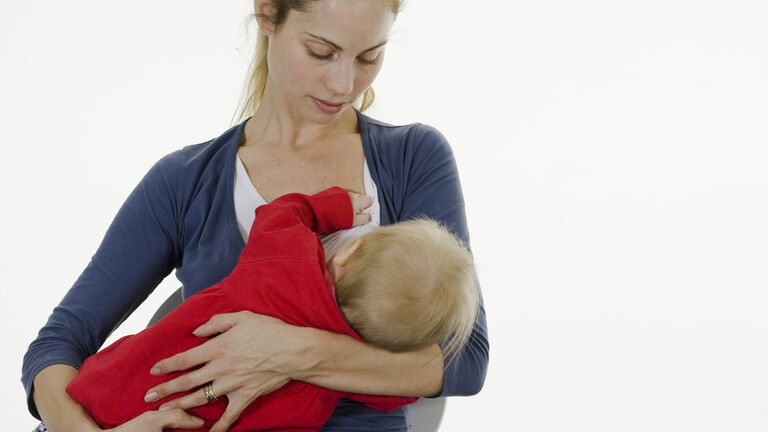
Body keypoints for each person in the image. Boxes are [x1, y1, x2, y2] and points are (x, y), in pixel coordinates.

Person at [22, 1, 489, 431]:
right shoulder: (185, 182)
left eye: (369, 57)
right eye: (321, 52)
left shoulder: (411, 157)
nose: (344, 84)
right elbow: (56, 346)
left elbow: (465, 361)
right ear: (268, 14)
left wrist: (288, 352)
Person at [64, 186, 479, 431]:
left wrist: (330, 207)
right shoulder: (346, 373)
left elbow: (281, 212)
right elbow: (398, 392)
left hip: (108, 393)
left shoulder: (287, 257)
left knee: (122, 376)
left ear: (353, 252)